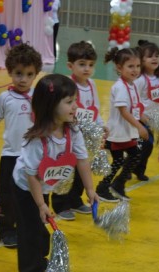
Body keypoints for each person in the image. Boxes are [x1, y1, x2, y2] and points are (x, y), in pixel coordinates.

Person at [12, 74, 99, 272]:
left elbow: (82, 160)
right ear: (51, 106)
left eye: (75, 101)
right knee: (31, 230)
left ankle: (39, 260)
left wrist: (90, 189)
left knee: (40, 231)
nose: (75, 106)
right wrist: (41, 205)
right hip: (25, 188)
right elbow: (31, 176)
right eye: (69, 102)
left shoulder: (73, 131)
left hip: (44, 186)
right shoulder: (37, 139)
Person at [0, 43, 42, 248]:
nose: (23, 79)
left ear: (36, 74)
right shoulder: (5, 98)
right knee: (7, 195)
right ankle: (5, 229)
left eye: (29, 74)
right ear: (10, 72)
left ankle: (25, 225)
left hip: (33, 156)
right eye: (18, 73)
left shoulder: (39, 96)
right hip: (11, 155)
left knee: (30, 193)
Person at [51, 41, 111, 220]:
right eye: (82, 64)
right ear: (70, 65)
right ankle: (60, 204)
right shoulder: (68, 85)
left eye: (91, 65)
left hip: (86, 136)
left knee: (81, 168)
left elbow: (94, 108)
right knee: (66, 169)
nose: (87, 69)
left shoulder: (92, 84)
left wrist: (101, 125)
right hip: (70, 133)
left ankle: (75, 199)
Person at [95, 47, 149, 201]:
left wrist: (143, 118)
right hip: (118, 132)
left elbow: (134, 107)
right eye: (130, 66)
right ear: (119, 68)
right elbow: (124, 111)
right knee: (119, 160)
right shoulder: (120, 87)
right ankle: (102, 188)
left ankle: (118, 184)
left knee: (135, 155)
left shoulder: (132, 85)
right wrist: (139, 126)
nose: (135, 70)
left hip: (128, 131)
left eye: (138, 66)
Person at [131, 40, 159, 181]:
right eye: (149, 56)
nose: (154, 59)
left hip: (152, 119)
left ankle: (138, 169)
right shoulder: (140, 79)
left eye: (157, 56)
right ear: (141, 60)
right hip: (139, 119)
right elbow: (133, 101)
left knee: (147, 147)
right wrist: (140, 117)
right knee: (140, 145)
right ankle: (129, 167)